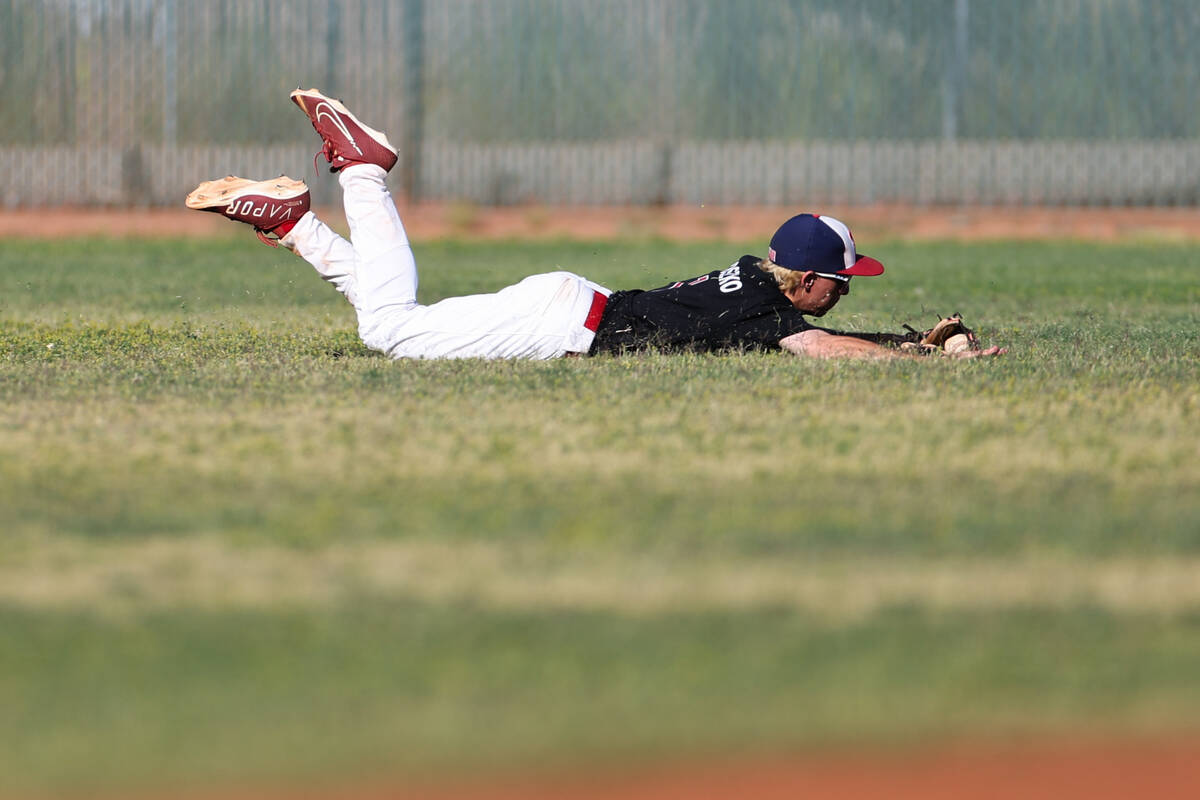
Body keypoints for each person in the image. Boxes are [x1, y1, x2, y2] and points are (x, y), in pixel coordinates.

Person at [186, 88, 1003, 361]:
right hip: (567, 322)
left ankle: (293, 225)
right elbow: (819, 349)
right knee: (392, 333)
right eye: (845, 281)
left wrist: (921, 345)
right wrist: (927, 362)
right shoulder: (773, 311)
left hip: (573, 306)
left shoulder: (758, 282)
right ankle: (361, 169)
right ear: (814, 279)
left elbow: (807, 336)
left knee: (400, 320)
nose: (845, 293)